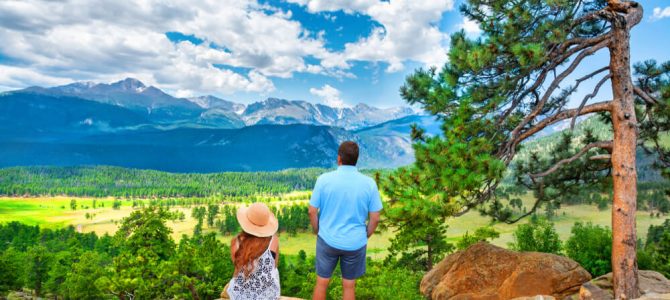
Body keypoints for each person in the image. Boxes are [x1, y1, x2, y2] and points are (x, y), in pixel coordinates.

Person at [309, 141, 383, 300]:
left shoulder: (324, 179)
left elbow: (312, 211)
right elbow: (375, 218)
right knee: (349, 285)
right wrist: (365, 235)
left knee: (322, 282)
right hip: (355, 242)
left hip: (327, 239)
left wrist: (317, 230)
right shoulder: (369, 183)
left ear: (338, 159)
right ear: (356, 159)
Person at [225, 202, 280, 300]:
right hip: (268, 295)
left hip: (241, 295)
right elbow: (274, 267)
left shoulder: (236, 242)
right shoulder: (274, 240)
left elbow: (237, 269)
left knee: (232, 285)